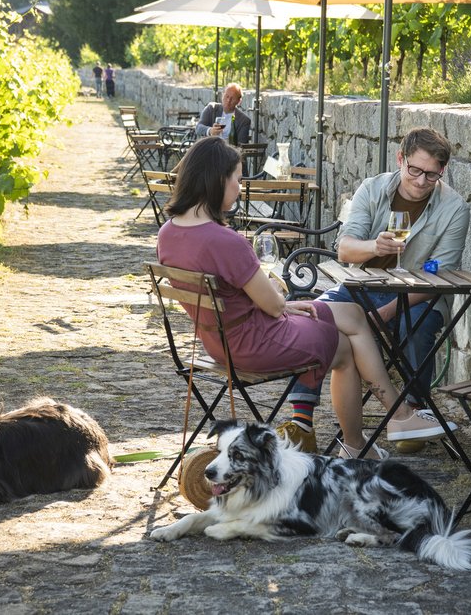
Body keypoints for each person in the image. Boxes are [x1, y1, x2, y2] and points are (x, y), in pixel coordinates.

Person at [156, 137, 455, 459]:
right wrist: (283, 304)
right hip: (257, 342)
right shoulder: (224, 241)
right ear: (217, 181)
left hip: (220, 342)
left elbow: (264, 303)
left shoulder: (168, 233)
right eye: (238, 179)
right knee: (349, 331)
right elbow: (271, 304)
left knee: (347, 333)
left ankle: (361, 443)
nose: (240, 188)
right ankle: (394, 420)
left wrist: (287, 305)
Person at [278, 127, 471, 454]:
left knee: (422, 324)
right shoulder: (373, 188)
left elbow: (441, 273)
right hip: (361, 286)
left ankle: (414, 409)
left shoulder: (454, 209)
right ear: (401, 159)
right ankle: (301, 421)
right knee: (313, 319)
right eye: (415, 170)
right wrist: (373, 246)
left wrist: (386, 312)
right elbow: (345, 250)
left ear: (443, 171)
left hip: (416, 293)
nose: (422, 181)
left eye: (432, 175)